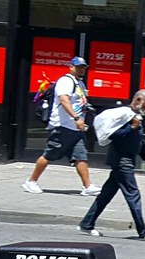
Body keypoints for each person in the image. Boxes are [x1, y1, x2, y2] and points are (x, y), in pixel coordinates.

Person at [79, 89, 145, 239]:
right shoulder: (125, 116)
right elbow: (114, 135)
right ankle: (143, 232)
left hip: (125, 161)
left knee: (106, 194)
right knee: (133, 195)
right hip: (122, 161)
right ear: (138, 101)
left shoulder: (135, 117)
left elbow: (139, 143)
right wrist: (131, 127)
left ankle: (86, 224)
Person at [22, 56, 100, 196]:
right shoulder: (65, 81)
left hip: (75, 128)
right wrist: (76, 117)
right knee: (50, 154)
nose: (81, 69)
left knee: (80, 156)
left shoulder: (79, 84)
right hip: (62, 126)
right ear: (71, 67)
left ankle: (87, 186)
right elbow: (64, 100)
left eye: (83, 67)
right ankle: (31, 181)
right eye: (78, 67)